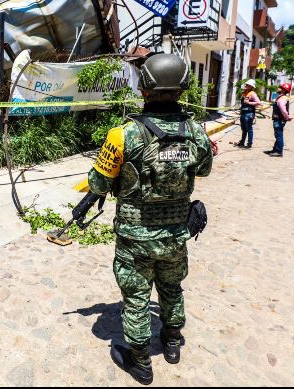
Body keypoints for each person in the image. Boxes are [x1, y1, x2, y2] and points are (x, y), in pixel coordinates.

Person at [87, 54, 214, 385]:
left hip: (135, 238)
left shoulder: (123, 135)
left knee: (137, 296)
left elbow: (98, 183)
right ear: (182, 89)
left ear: (143, 90)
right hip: (176, 235)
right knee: (172, 287)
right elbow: (204, 169)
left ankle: (141, 362)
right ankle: (172, 343)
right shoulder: (196, 132)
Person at [264, 82, 293, 157]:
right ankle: (275, 149)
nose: (278, 88)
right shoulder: (282, 97)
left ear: (283, 90)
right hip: (280, 119)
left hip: (279, 120)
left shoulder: (282, 99)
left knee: (279, 135)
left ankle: (279, 151)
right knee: (278, 135)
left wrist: (287, 116)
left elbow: (283, 109)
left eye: (280, 87)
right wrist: (287, 116)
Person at [236, 79, 260, 148]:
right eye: (246, 85)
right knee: (244, 129)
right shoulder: (245, 93)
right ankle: (242, 142)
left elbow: (258, 102)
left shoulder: (252, 93)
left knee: (249, 129)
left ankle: (249, 143)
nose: (246, 86)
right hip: (243, 113)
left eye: (247, 85)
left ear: (251, 86)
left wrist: (249, 103)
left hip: (249, 114)